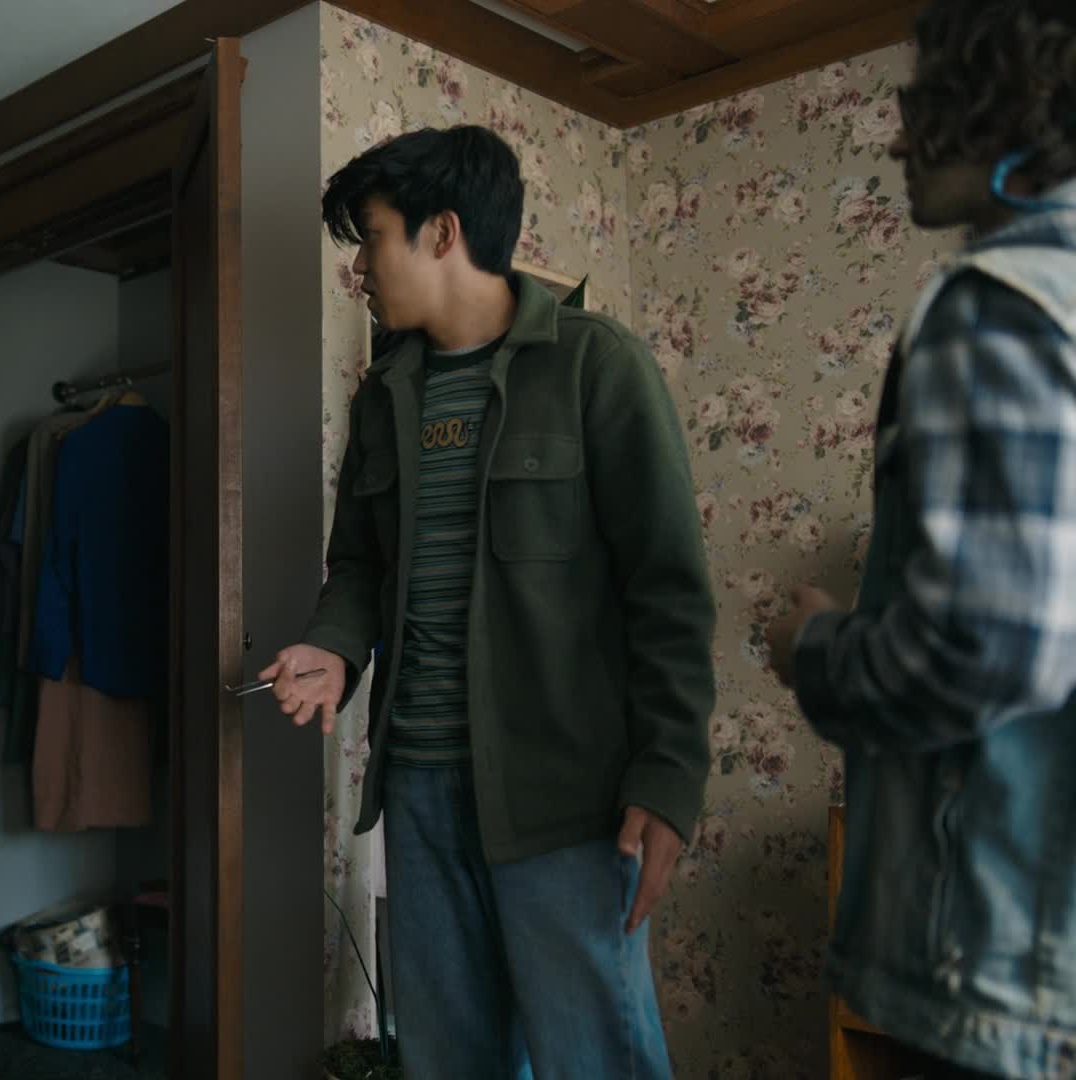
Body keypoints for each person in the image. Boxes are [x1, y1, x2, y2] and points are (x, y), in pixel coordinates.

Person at [258, 125, 715, 1079]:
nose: (359, 270)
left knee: (596, 1058)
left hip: (567, 800)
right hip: (419, 793)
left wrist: (669, 776)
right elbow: (360, 568)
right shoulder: (384, 396)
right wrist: (333, 649)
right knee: (448, 1061)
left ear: (442, 232)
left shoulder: (597, 365)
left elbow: (668, 591)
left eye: (372, 238)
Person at [761, 2, 1076, 1076]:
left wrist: (814, 648)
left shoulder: (994, 306)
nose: (897, 139)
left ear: (1014, 104)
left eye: (924, 100)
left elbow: (984, 647)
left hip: (997, 962)